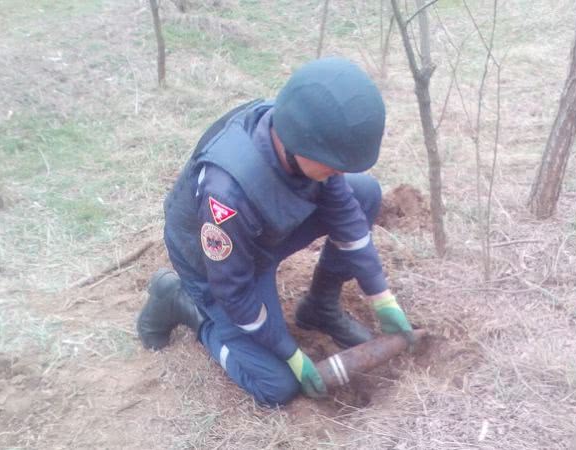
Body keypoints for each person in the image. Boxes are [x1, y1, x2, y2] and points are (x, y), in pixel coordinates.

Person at [136, 57, 414, 407]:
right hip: (216, 265)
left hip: (263, 231)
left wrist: (381, 295)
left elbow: (344, 210)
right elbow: (234, 292)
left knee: (365, 194)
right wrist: (289, 352)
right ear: (301, 146)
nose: (337, 172)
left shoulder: (298, 130)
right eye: (333, 164)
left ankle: (319, 308)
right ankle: (184, 305)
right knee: (276, 385)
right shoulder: (227, 197)